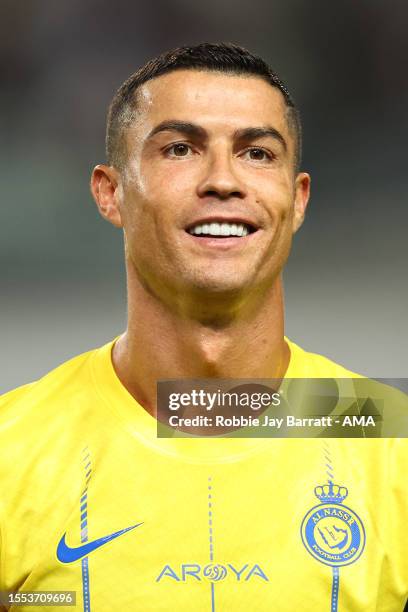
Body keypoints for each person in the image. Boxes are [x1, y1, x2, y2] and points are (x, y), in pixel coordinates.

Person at [0, 43, 407, 612]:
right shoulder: (11, 451)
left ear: (297, 199)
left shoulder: (396, 448)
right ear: (110, 192)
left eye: (258, 154)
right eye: (180, 148)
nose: (223, 180)